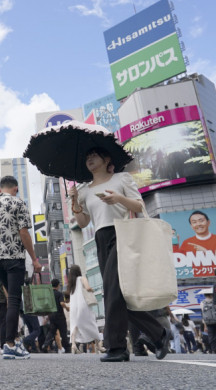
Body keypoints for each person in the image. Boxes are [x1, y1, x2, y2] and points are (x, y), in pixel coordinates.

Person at [69, 147, 170, 362]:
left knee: (113, 291)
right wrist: (74, 201)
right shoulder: (85, 190)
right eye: (87, 156)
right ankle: (158, 334)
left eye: (94, 155)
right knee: (115, 293)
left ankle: (116, 346)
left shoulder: (121, 179)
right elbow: (84, 222)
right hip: (100, 238)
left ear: (107, 160)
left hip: (122, 234)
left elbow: (139, 204)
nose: (89, 159)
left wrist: (118, 199)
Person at [0, 175, 43, 360]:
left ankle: (14, 339)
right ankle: (9, 344)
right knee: (13, 300)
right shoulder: (19, 203)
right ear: (16, 188)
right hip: (13, 256)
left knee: (11, 299)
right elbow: (24, 232)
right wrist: (34, 259)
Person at [65, 266, 99, 353]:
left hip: (74, 307)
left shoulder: (71, 283)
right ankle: (98, 345)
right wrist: (92, 290)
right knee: (91, 323)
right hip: (83, 305)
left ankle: (73, 345)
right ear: (79, 271)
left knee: (75, 325)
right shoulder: (82, 278)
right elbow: (88, 288)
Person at [42, 279, 70, 353]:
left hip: (52, 316)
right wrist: (67, 308)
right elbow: (62, 303)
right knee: (63, 332)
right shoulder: (59, 294)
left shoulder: (49, 295)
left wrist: (47, 317)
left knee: (51, 331)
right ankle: (67, 348)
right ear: (58, 285)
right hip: (60, 316)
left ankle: (45, 344)